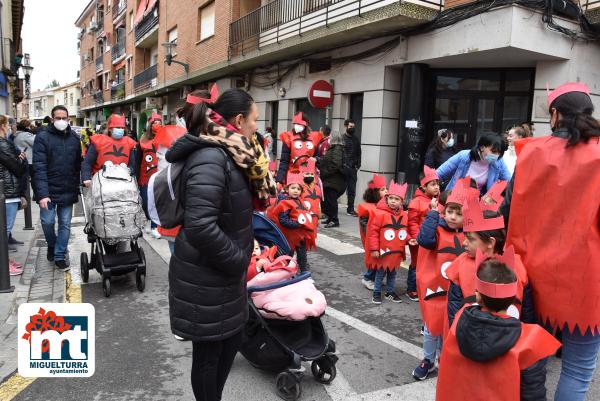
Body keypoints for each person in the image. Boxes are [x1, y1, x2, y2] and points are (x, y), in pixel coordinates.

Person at [165, 87, 276, 401]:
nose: (257, 126)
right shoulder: (212, 157)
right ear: (239, 120)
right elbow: (200, 226)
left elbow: (232, 213)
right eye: (254, 120)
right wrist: (238, 260)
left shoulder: (235, 154)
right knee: (209, 356)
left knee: (229, 345)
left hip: (224, 276)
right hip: (206, 277)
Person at [503, 82, 600, 401]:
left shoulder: (529, 152)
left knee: (533, 360)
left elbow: (507, 210)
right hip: (586, 280)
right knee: (578, 369)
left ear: (555, 114)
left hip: (533, 276)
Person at [435, 256, 561, 401]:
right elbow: (533, 394)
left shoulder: (459, 322)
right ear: (513, 298)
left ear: (477, 296)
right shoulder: (528, 343)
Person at [445, 197, 533, 329]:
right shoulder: (461, 265)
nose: (464, 243)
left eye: (470, 239)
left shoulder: (517, 266)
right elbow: (454, 309)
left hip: (509, 340)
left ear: (491, 243)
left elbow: (527, 313)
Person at [412, 179, 468, 381]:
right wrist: (433, 213)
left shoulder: (469, 235)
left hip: (457, 292)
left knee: (450, 328)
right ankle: (428, 360)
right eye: (450, 211)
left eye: (459, 213)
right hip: (435, 289)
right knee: (431, 328)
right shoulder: (436, 226)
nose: (453, 217)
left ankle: (446, 359)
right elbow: (424, 240)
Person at [32, 106, 82, 270]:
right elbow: (38, 168)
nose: (62, 121)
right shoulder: (42, 138)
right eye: (58, 118)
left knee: (65, 224)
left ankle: (60, 255)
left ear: (68, 119)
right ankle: (52, 246)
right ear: (52, 120)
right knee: (47, 222)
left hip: (67, 188)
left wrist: (80, 183)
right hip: (48, 189)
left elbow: (78, 165)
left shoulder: (75, 138)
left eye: (64, 118)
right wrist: (42, 194)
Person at [366, 181, 410, 305]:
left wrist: (409, 239)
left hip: (396, 252)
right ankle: (376, 292)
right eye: (390, 198)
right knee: (380, 273)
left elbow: (402, 232)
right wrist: (374, 249)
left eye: (396, 199)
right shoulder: (380, 214)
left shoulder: (404, 216)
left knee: (393, 273)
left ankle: (390, 292)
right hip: (383, 252)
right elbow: (373, 233)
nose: (393, 201)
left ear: (401, 202)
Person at [406, 166, 441, 302]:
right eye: (433, 184)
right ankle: (412, 289)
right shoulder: (416, 202)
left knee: (428, 265)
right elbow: (412, 223)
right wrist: (416, 237)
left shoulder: (439, 201)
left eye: (437, 184)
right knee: (416, 264)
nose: (436, 187)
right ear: (423, 187)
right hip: (419, 240)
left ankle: (424, 287)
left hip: (432, 239)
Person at [436, 132, 511, 195]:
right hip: (454, 197)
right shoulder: (464, 156)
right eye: (494, 151)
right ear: (482, 147)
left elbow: (509, 181)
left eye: (499, 153)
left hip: (478, 201)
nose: (496, 155)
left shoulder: (499, 162)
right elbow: (439, 173)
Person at [269, 174, 314, 272]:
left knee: (302, 256)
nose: (295, 190)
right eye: (293, 188)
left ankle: (303, 272)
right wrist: (298, 224)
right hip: (289, 236)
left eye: (298, 189)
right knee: (287, 255)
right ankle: (285, 272)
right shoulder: (285, 203)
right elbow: (283, 221)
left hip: (300, 235)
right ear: (287, 189)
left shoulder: (300, 201)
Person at [0, 115, 27, 275]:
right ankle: (3, 266)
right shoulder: (2, 144)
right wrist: (21, 159)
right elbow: (16, 167)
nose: (10, 127)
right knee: (5, 231)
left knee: (5, 230)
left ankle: (5, 260)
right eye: (8, 124)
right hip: (8, 192)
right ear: (3, 126)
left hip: (7, 190)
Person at [81, 114, 137, 186]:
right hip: (101, 184)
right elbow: (87, 163)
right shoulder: (99, 141)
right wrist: (86, 178)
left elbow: (132, 165)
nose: (120, 129)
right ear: (110, 128)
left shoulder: (129, 143)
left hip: (123, 185)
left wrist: (129, 170)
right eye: (117, 127)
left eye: (122, 128)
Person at [358, 174, 387, 290]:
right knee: (374, 260)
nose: (386, 191)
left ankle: (376, 278)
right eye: (383, 189)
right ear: (375, 192)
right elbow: (365, 225)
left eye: (386, 188)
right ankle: (368, 278)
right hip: (373, 239)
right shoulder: (366, 207)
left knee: (383, 259)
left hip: (383, 238)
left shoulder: (385, 206)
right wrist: (372, 239)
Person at [276, 112, 322, 185]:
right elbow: (284, 161)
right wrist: (279, 179)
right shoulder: (288, 137)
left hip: (309, 176)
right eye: (295, 124)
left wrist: (316, 159)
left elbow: (319, 157)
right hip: (293, 175)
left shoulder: (314, 138)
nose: (296, 126)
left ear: (306, 124)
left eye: (299, 124)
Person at [137, 111, 161, 239]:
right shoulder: (143, 139)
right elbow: (137, 160)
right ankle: (147, 221)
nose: (157, 125)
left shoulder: (164, 138)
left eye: (159, 123)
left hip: (159, 177)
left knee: (156, 203)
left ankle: (154, 226)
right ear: (150, 125)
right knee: (146, 202)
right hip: (145, 178)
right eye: (155, 123)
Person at [320, 130, 346, 228]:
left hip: (334, 180)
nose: (329, 138)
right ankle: (330, 218)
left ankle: (334, 220)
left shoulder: (337, 149)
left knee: (332, 200)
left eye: (330, 137)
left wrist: (325, 173)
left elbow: (336, 164)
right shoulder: (333, 148)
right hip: (330, 179)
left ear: (334, 138)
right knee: (329, 200)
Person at [343, 119, 361, 216]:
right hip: (344, 168)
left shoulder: (356, 139)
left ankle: (350, 209)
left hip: (353, 168)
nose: (352, 128)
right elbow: (341, 153)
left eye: (353, 127)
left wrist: (358, 165)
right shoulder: (342, 139)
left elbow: (359, 153)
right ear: (346, 126)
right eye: (350, 127)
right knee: (339, 189)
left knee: (352, 190)